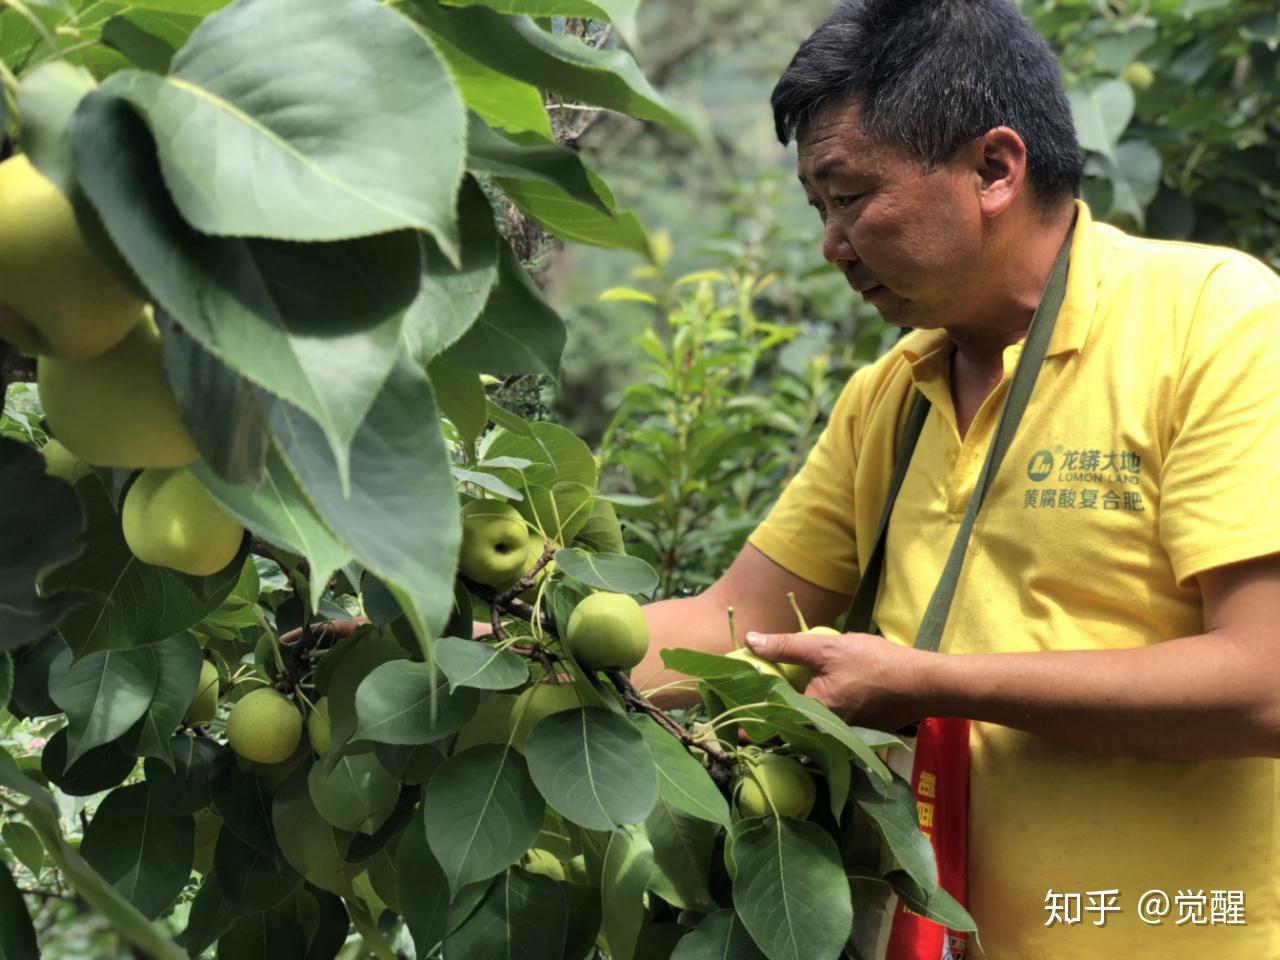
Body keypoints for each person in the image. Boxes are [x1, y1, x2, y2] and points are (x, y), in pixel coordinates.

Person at [627, 0, 1280, 957]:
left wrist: (931, 682)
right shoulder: (888, 397)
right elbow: (731, 626)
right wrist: (465, 641)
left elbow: (1265, 683)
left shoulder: (1216, 324)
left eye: (850, 198)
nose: (831, 246)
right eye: (818, 209)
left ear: (993, 168)